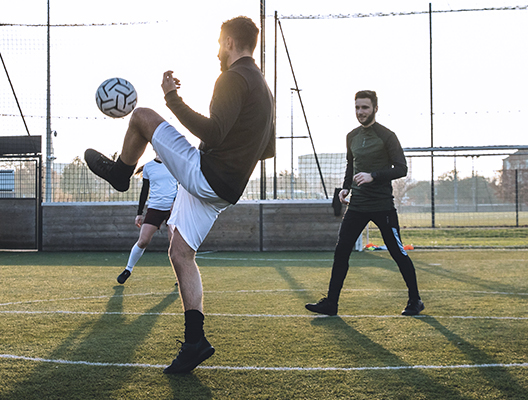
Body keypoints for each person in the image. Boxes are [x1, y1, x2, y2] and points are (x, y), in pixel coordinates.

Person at [83, 16, 274, 374]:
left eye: (220, 43)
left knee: (141, 115)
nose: (218, 51)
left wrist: (172, 98)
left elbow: (215, 134)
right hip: (226, 189)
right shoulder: (264, 87)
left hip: (207, 174)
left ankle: (120, 173)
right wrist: (232, 155)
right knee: (180, 252)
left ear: (230, 42)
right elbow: (266, 149)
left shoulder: (233, 77)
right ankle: (194, 342)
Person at [305, 90, 423, 317]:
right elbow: (352, 165)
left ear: (375, 108)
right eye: (357, 108)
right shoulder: (351, 136)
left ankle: (415, 300)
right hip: (357, 206)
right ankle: (331, 303)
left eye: (365, 108)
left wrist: (373, 176)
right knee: (341, 253)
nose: (360, 112)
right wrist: (346, 187)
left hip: (382, 206)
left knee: (397, 252)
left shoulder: (387, 136)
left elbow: (401, 168)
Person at [117, 157, 179, 284]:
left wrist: (175, 202)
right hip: (154, 209)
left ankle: (180, 277)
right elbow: (144, 191)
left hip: (173, 209)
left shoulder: (174, 163)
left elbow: (182, 186)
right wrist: (139, 213)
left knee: (175, 244)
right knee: (143, 241)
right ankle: (128, 269)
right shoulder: (149, 167)